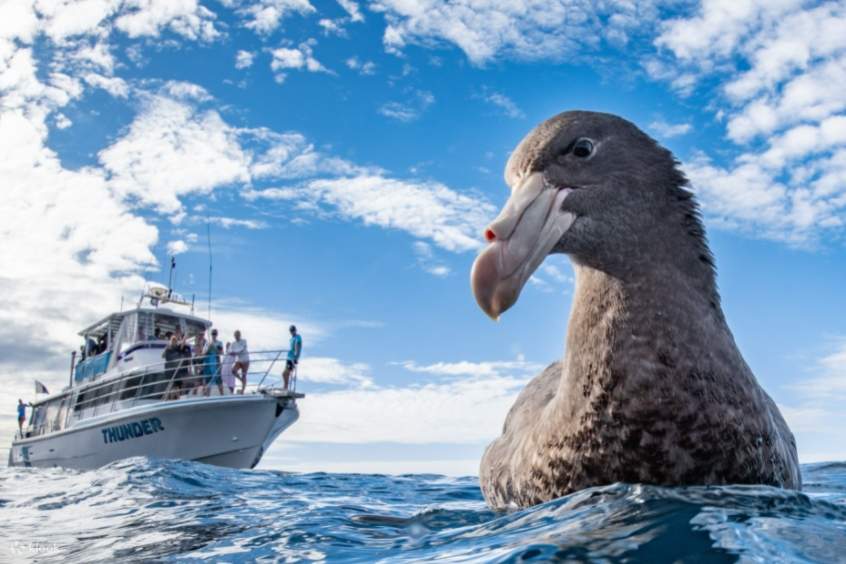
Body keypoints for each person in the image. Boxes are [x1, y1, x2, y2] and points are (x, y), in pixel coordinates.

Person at [162, 333, 191, 399]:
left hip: (176, 371)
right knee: (172, 386)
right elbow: (163, 356)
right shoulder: (168, 349)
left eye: (175, 340)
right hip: (170, 371)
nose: (174, 342)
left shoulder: (177, 348)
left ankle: (177, 399)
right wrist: (166, 348)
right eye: (173, 340)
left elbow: (182, 345)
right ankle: (171, 399)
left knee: (177, 386)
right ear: (171, 341)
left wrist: (185, 338)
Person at [204, 329, 224, 396]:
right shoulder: (207, 343)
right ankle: (207, 397)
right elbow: (203, 353)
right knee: (208, 380)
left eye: (215, 334)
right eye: (213, 334)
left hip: (216, 364)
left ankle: (222, 396)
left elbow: (221, 353)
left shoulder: (219, 343)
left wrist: (214, 348)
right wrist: (208, 348)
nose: (214, 335)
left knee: (219, 380)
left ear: (217, 334)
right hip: (209, 364)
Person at [283, 325, 302, 391]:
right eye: (291, 330)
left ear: (295, 330)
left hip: (292, 359)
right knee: (285, 374)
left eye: (293, 330)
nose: (292, 331)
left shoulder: (298, 337)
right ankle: (285, 388)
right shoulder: (291, 339)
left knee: (285, 373)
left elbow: (297, 346)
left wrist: (296, 358)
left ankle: (285, 388)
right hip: (288, 358)